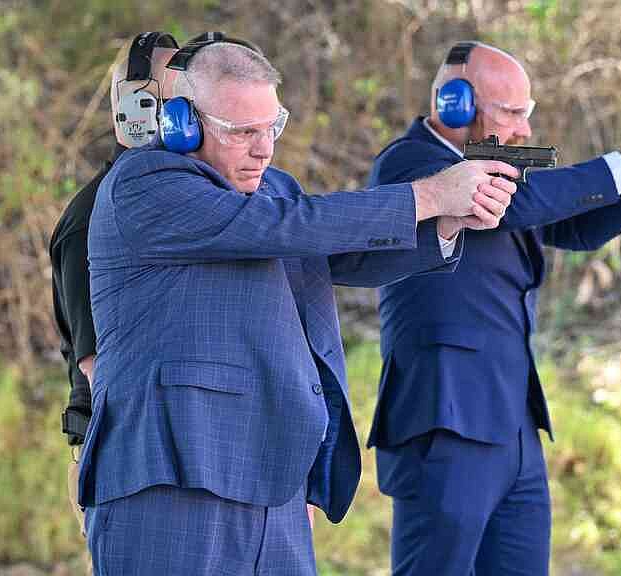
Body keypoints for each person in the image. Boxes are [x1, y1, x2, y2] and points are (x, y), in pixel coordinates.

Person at [78, 38, 518, 575]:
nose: (263, 149)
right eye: (242, 132)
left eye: (271, 128)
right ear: (181, 124)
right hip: (172, 479)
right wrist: (429, 196)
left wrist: (448, 221)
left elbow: (333, 251)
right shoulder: (144, 184)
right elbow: (291, 226)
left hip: (272, 484)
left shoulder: (272, 190)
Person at [367, 41, 621, 575]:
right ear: (454, 104)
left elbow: (573, 226)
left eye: (528, 113)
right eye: (511, 113)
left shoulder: (499, 169)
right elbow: (513, 206)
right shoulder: (409, 163)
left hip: (514, 422)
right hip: (444, 417)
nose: (524, 130)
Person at [49, 30, 179, 543]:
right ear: (130, 105)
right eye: (165, 98)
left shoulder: (178, 203)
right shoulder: (90, 219)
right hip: (123, 453)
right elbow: (102, 365)